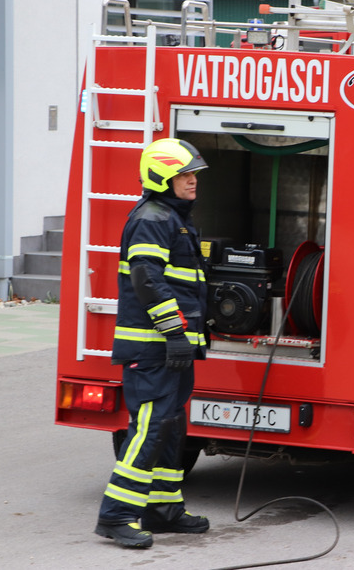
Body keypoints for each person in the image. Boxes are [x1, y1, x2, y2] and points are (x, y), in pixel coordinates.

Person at [94, 138, 211, 549]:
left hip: (170, 348)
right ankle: (116, 515)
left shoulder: (172, 217)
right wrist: (175, 333)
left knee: (170, 426)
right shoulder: (153, 219)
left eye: (194, 172)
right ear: (163, 176)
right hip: (153, 347)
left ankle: (163, 508)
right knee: (150, 427)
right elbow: (147, 281)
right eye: (185, 174)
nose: (193, 180)